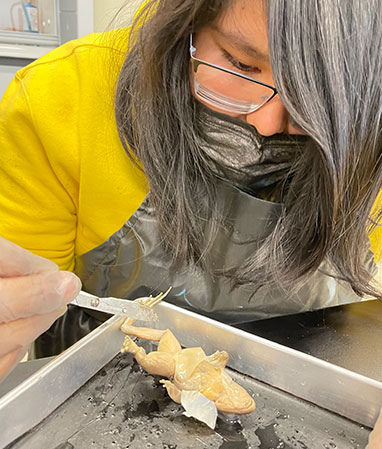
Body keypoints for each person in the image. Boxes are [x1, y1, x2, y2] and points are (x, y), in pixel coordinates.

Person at [0, 0, 381, 429]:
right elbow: (20, 298)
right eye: (240, 62)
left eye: (324, 94)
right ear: (185, 21)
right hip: (102, 408)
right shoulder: (64, 96)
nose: (268, 122)